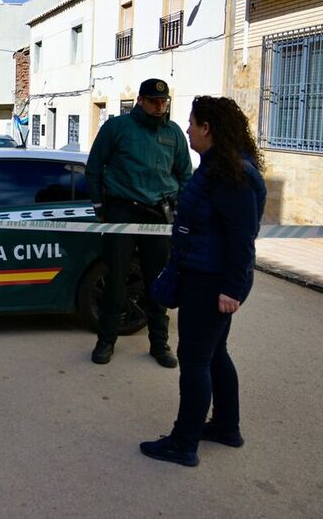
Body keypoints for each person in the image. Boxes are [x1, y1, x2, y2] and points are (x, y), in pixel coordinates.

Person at [139, 96, 267, 467]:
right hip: (202, 275)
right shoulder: (217, 168)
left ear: (208, 128)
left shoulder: (233, 175)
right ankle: (226, 426)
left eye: (192, 123)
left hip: (210, 283)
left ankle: (183, 443)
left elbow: (242, 238)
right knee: (214, 354)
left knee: (194, 359)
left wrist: (230, 289)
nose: (188, 130)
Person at [85, 78, 192, 367]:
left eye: (164, 102)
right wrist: (99, 207)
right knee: (116, 280)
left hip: (158, 215)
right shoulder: (117, 128)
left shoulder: (173, 133)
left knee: (158, 282)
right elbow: (94, 167)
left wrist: (181, 209)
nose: (160, 107)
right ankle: (105, 341)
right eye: (155, 102)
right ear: (141, 101)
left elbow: (185, 175)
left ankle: (159, 344)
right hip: (123, 212)